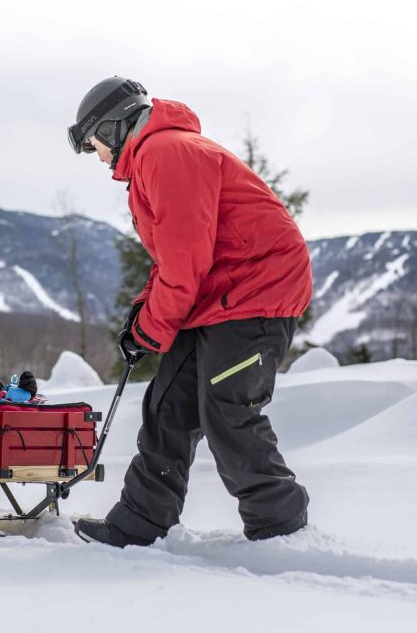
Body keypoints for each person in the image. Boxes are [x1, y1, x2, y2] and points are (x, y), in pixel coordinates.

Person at [66, 77, 313, 546]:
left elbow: (185, 263)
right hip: (215, 298)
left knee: (226, 409)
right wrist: (142, 319)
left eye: (95, 143)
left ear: (115, 127)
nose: (98, 157)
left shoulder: (167, 153)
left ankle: (281, 528)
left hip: (255, 293)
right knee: (168, 409)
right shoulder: (155, 158)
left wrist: (152, 329)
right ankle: (139, 524)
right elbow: (173, 260)